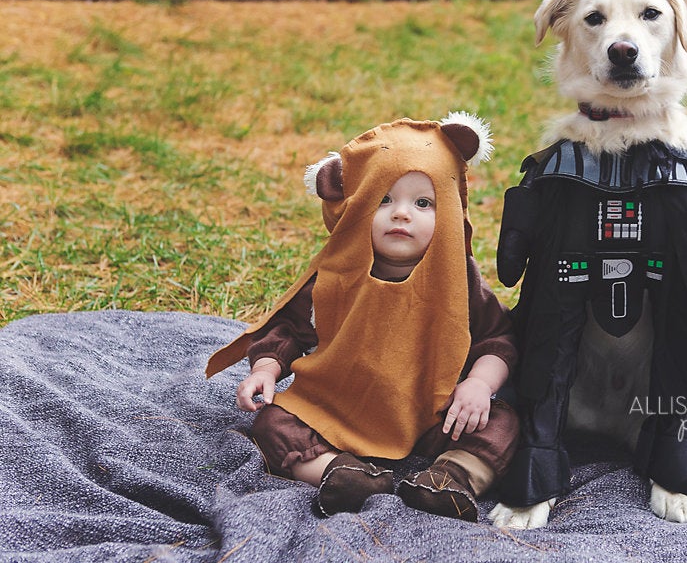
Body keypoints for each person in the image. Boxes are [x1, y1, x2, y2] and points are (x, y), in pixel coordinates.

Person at [206, 115, 519, 522]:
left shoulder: (458, 278)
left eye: (423, 203)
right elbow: (290, 331)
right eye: (383, 200)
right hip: (337, 408)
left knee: (503, 421)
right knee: (273, 423)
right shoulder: (335, 275)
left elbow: (497, 340)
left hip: (429, 411)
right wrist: (266, 368)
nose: (401, 214)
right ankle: (339, 472)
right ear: (352, 211)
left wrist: (478, 384)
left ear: (450, 210)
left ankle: (452, 478)